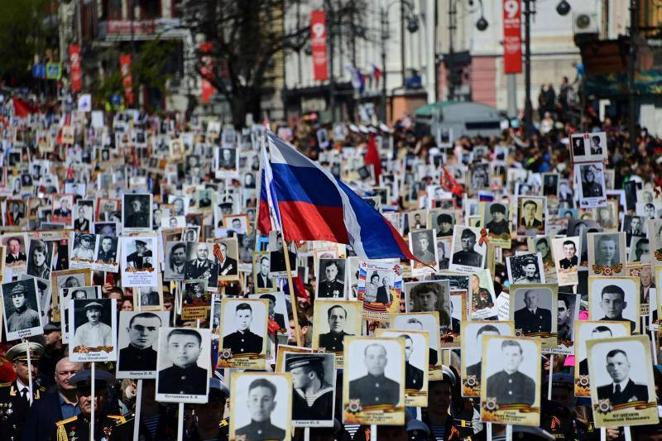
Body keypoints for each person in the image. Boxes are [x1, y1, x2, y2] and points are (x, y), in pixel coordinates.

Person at [53, 369, 129, 441]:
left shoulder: (120, 425)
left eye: (95, 394)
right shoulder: (65, 428)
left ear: (105, 396)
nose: (89, 399)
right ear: (77, 397)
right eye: (85, 394)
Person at [23, 357, 83, 441]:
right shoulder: (40, 405)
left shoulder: (92, 402)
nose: (69, 377)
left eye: (74, 372)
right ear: (55, 377)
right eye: (64, 373)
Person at [0, 342, 47, 441]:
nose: (32, 369)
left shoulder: (45, 394)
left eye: (35, 364)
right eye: (26, 364)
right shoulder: (2, 393)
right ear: (14, 367)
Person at [485, 340, 535, 406]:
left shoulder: (529, 382)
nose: (511, 359)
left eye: (515, 355)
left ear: (521, 358)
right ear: (501, 357)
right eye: (507, 354)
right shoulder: (490, 381)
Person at [158, 329, 207, 395]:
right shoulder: (159, 377)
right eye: (176, 345)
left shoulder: (207, 377)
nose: (182, 351)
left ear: (199, 350)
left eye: (189, 346)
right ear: (168, 349)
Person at [286, 355, 334, 421]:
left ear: (311, 375)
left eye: (295, 374)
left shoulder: (331, 396)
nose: (291, 378)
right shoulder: (292, 396)